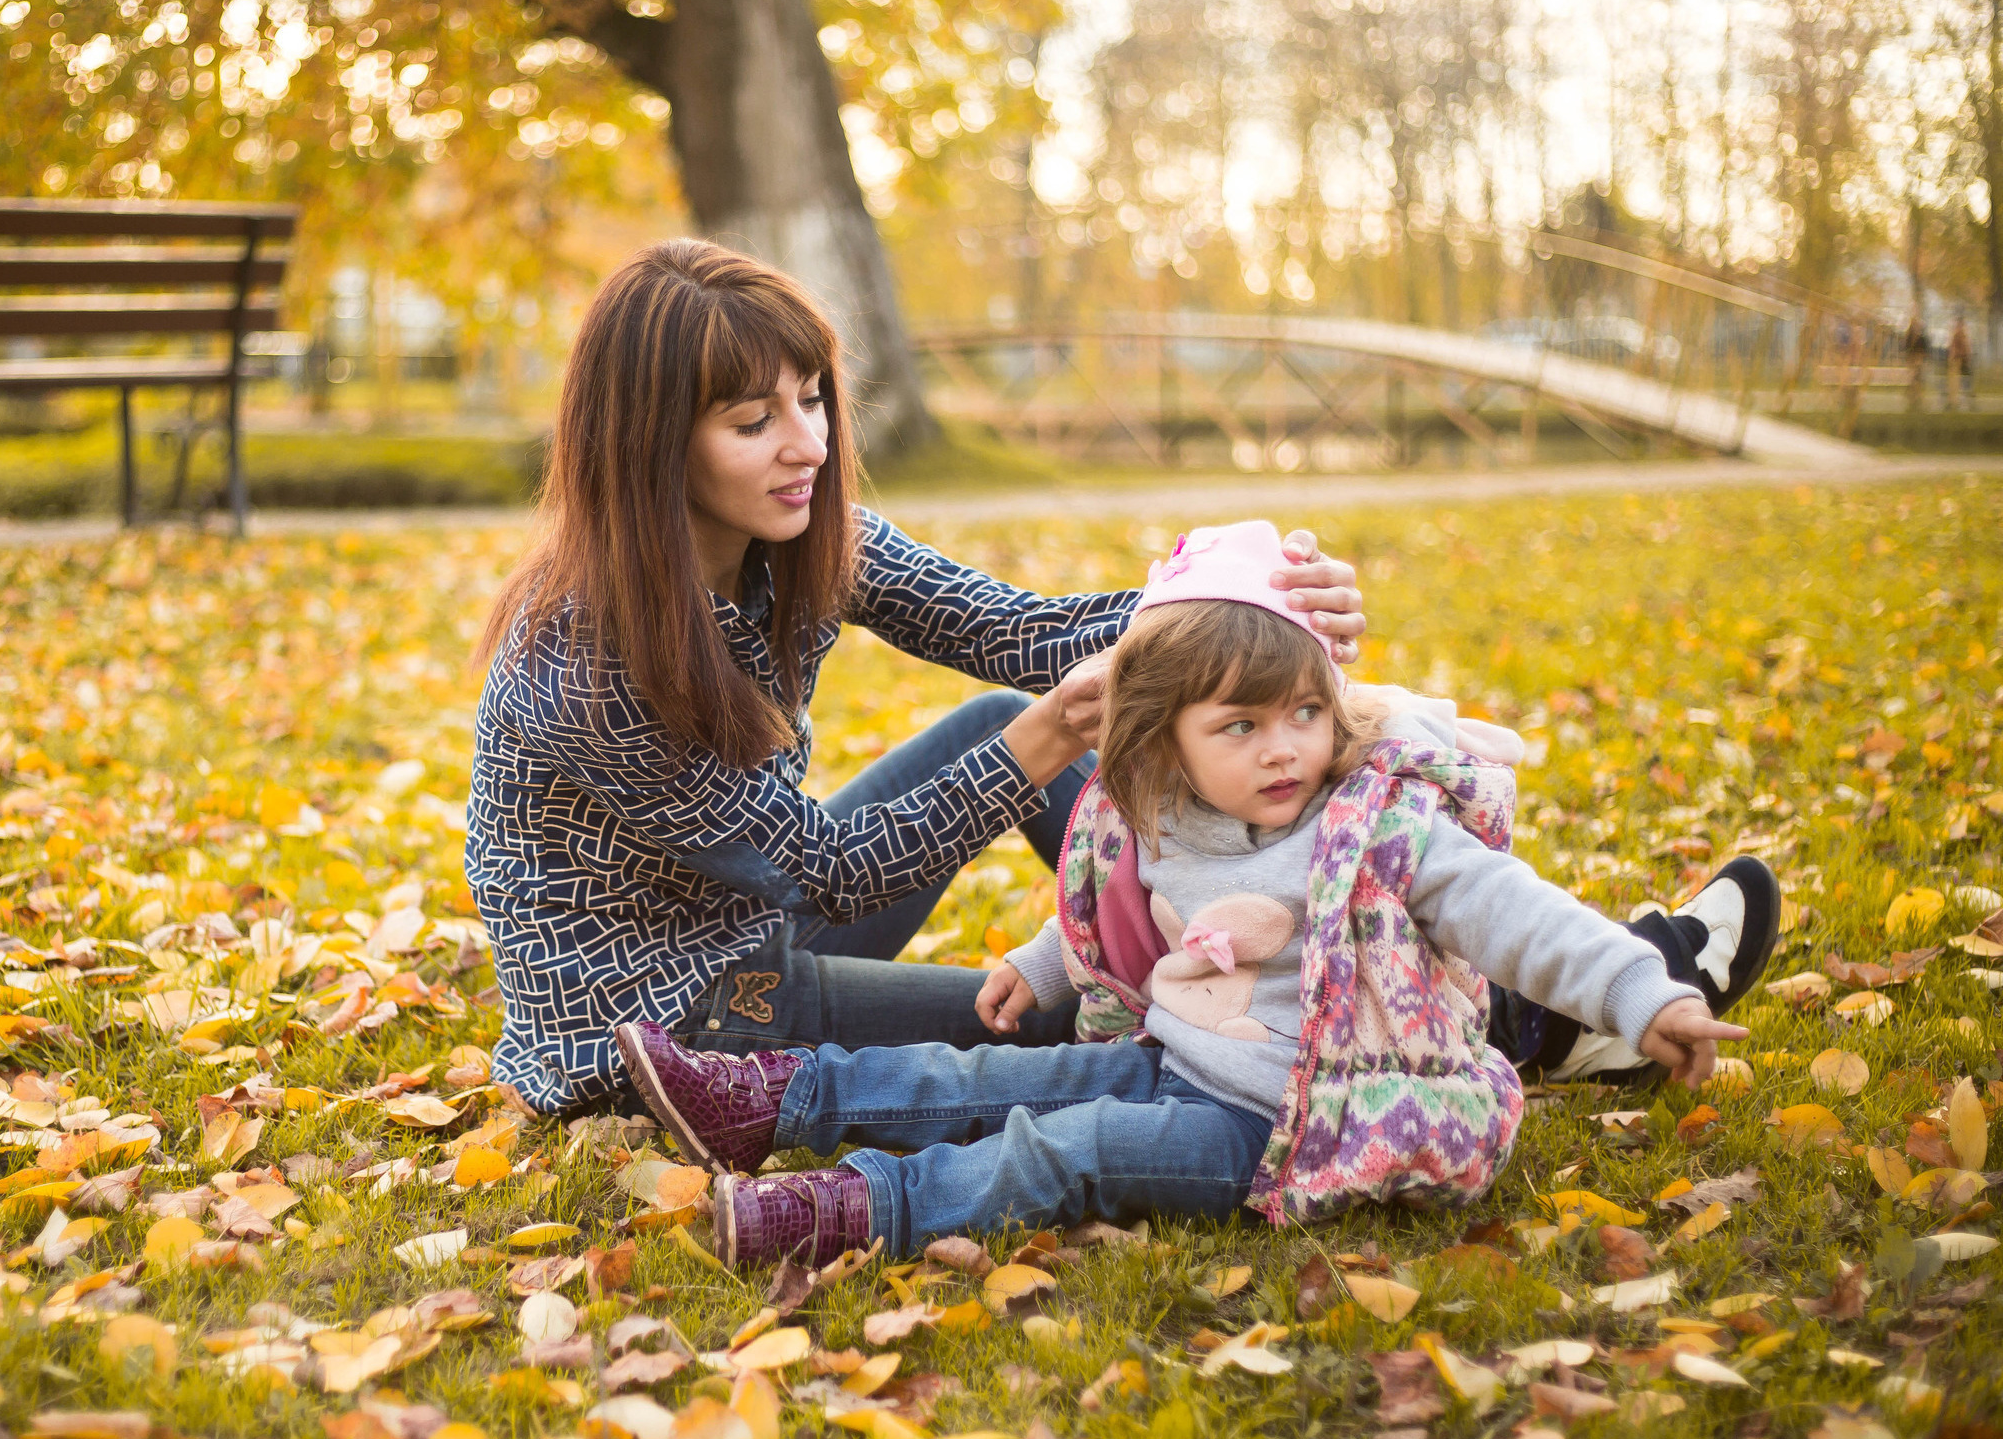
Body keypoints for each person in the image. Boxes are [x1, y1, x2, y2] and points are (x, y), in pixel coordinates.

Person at [613, 522, 1780, 1265]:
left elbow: (1517, 912)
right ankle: (767, 1101)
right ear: (1165, 740)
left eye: (1305, 714)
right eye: (1240, 724)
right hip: (1175, 1055)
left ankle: (852, 1209)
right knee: (982, 1072)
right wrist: (1039, 961)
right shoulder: (1161, 809)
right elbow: (1118, 903)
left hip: (1271, 1123)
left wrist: (1642, 988)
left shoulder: (1375, 831)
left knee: (1055, 1154)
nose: (1283, 749)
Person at [465, 242, 1371, 1118]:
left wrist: (1253, 598)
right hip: (665, 1020)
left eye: (812, 401)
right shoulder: (580, 664)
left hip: (755, 918)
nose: (808, 446)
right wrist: (1048, 734)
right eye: (754, 423)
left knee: (993, 718)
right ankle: (1294, 1002)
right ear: (652, 445)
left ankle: (1321, 927)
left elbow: (1018, 631)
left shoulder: (806, 532)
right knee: (1065, 1013)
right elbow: (830, 874)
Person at [1950, 316, 1976, 412]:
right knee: (1959, 381)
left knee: (1966, 381)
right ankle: (1957, 401)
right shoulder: (1958, 334)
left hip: (1963, 360)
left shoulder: (1963, 335)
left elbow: (1966, 348)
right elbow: (1955, 349)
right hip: (1959, 360)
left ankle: (1966, 400)